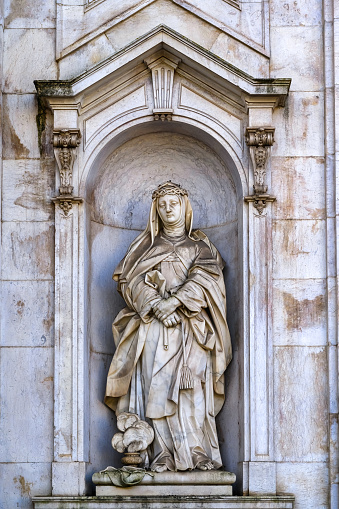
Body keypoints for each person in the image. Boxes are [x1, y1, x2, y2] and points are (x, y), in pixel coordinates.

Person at [105, 181, 232, 472]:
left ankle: (197, 451)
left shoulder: (201, 247)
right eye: (162, 204)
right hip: (154, 327)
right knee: (156, 388)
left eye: (173, 202)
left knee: (193, 390)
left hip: (192, 330)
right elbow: (128, 281)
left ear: (184, 206)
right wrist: (154, 304)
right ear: (155, 211)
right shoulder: (144, 247)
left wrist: (173, 302)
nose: (168, 208)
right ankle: (161, 452)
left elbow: (209, 280)